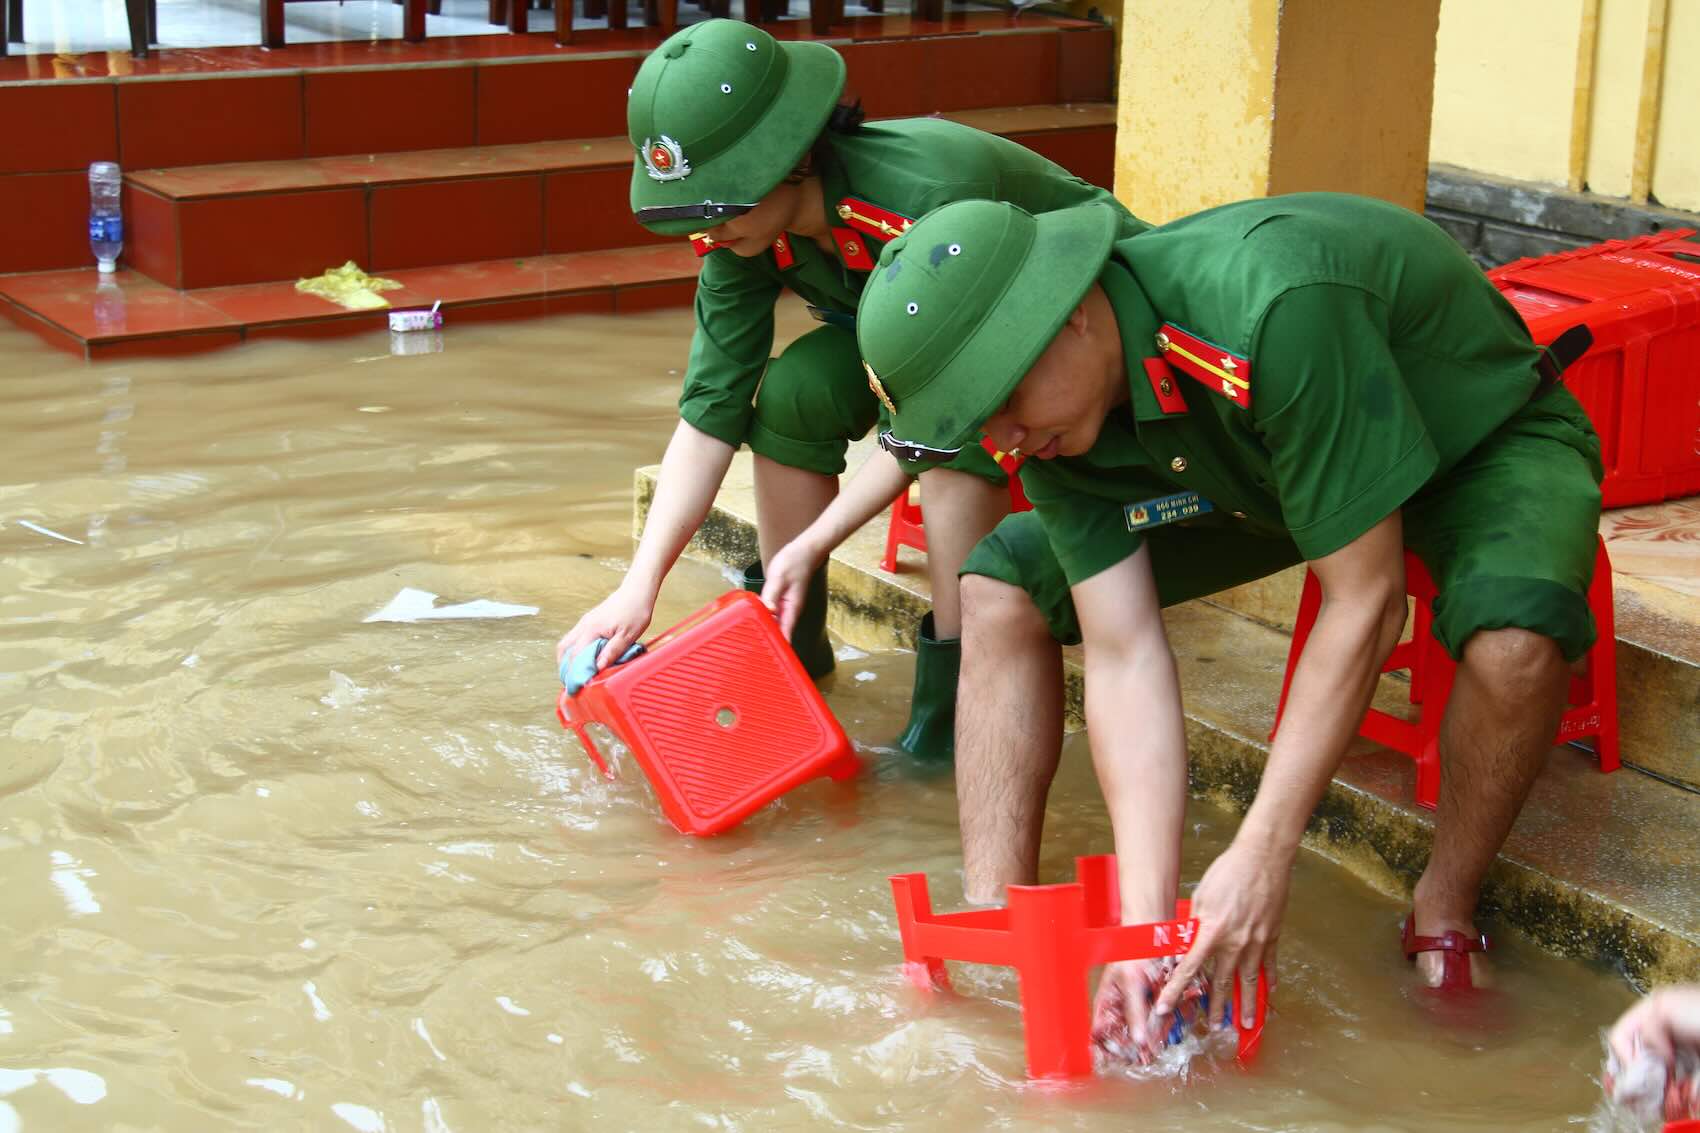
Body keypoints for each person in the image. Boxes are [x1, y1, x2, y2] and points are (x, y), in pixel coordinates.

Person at [852, 193, 1604, 1058]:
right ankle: (998, 927)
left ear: (1075, 319)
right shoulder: (1051, 428)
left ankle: (1444, 908)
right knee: (999, 585)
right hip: (1261, 479)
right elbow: (1124, 650)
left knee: (1515, 645)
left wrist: (1262, 850)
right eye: (978, 423)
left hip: (1477, 440)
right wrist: (1146, 929)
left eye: (1004, 398)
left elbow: (1366, 599)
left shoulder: (1271, 312)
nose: (1005, 439)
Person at [556, 18, 1143, 761]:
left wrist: (817, 537)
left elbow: (953, 398)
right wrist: (637, 586)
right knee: (795, 390)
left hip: (1061, 337)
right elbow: (710, 414)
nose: (705, 229)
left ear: (794, 156)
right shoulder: (745, 235)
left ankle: (958, 694)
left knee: (960, 432)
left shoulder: (925, 197)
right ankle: (792, 645)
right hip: (935, 347)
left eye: (719, 201)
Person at [1608, 985, 1700, 1124]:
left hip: (1668, 1029)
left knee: (1687, 1098)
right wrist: (1671, 1084)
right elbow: (1652, 1028)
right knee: (1668, 1101)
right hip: (1651, 1034)